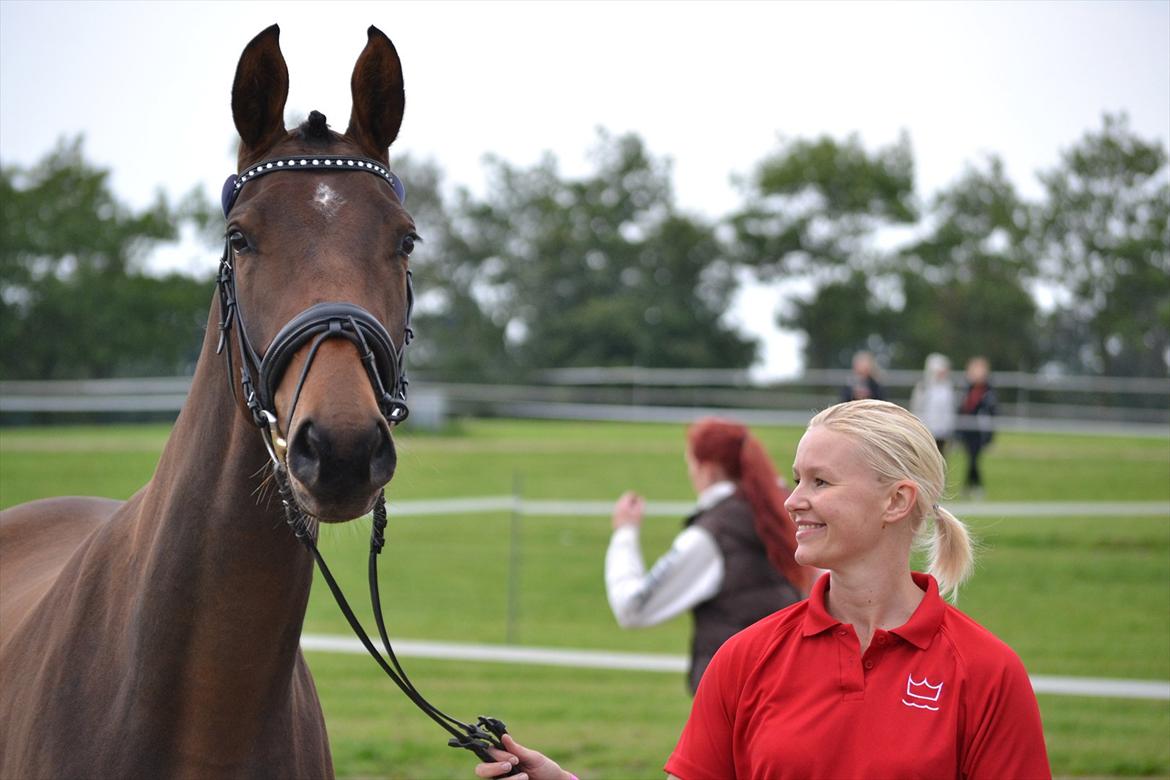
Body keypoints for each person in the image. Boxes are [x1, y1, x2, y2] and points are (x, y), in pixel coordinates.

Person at [475, 400, 1050, 780]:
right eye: (796, 478)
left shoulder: (986, 673)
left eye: (820, 482)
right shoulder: (746, 658)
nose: (793, 500)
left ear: (896, 501)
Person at [605, 418, 817, 693]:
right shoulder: (782, 510)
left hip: (737, 696)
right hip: (791, 684)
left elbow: (632, 608)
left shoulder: (713, 534)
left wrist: (625, 533)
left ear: (707, 468)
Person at [957, 356, 997, 499]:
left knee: (973, 459)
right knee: (971, 459)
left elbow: (992, 412)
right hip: (967, 430)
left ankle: (972, 487)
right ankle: (973, 487)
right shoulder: (967, 388)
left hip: (980, 431)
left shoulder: (988, 391)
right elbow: (961, 409)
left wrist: (990, 436)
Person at [910, 352, 957, 454]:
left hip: (943, 430)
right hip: (927, 429)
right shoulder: (923, 387)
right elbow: (917, 407)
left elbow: (950, 409)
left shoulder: (947, 388)